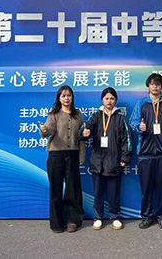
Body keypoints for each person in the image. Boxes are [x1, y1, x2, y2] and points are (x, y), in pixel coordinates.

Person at [80, 87, 132, 230]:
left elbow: (127, 139)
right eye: (107, 98)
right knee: (98, 193)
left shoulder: (120, 118)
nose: (109, 101)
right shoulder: (96, 116)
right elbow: (85, 130)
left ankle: (115, 217)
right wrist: (84, 133)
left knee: (114, 193)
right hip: (98, 162)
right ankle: (98, 218)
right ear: (102, 100)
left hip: (114, 161)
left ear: (116, 100)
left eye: (112, 98)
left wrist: (125, 157)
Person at [130, 73, 162, 230]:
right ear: (148, 86)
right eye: (152, 83)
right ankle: (146, 217)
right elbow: (133, 122)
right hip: (145, 153)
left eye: (158, 84)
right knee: (146, 188)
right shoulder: (141, 104)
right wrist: (139, 127)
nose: (155, 86)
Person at [39, 86, 85, 233]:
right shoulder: (54, 115)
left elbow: (82, 137)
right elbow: (49, 130)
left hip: (72, 154)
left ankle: (72, 220)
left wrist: (81, 156)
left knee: (73, 189)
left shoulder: (78, 115)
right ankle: (56, 223)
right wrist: (44, 130)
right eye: (63, 96)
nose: (66, 98)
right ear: (59, 98)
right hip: (56, 155)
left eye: (69, 95)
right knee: (56, 189)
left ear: (72, 97)